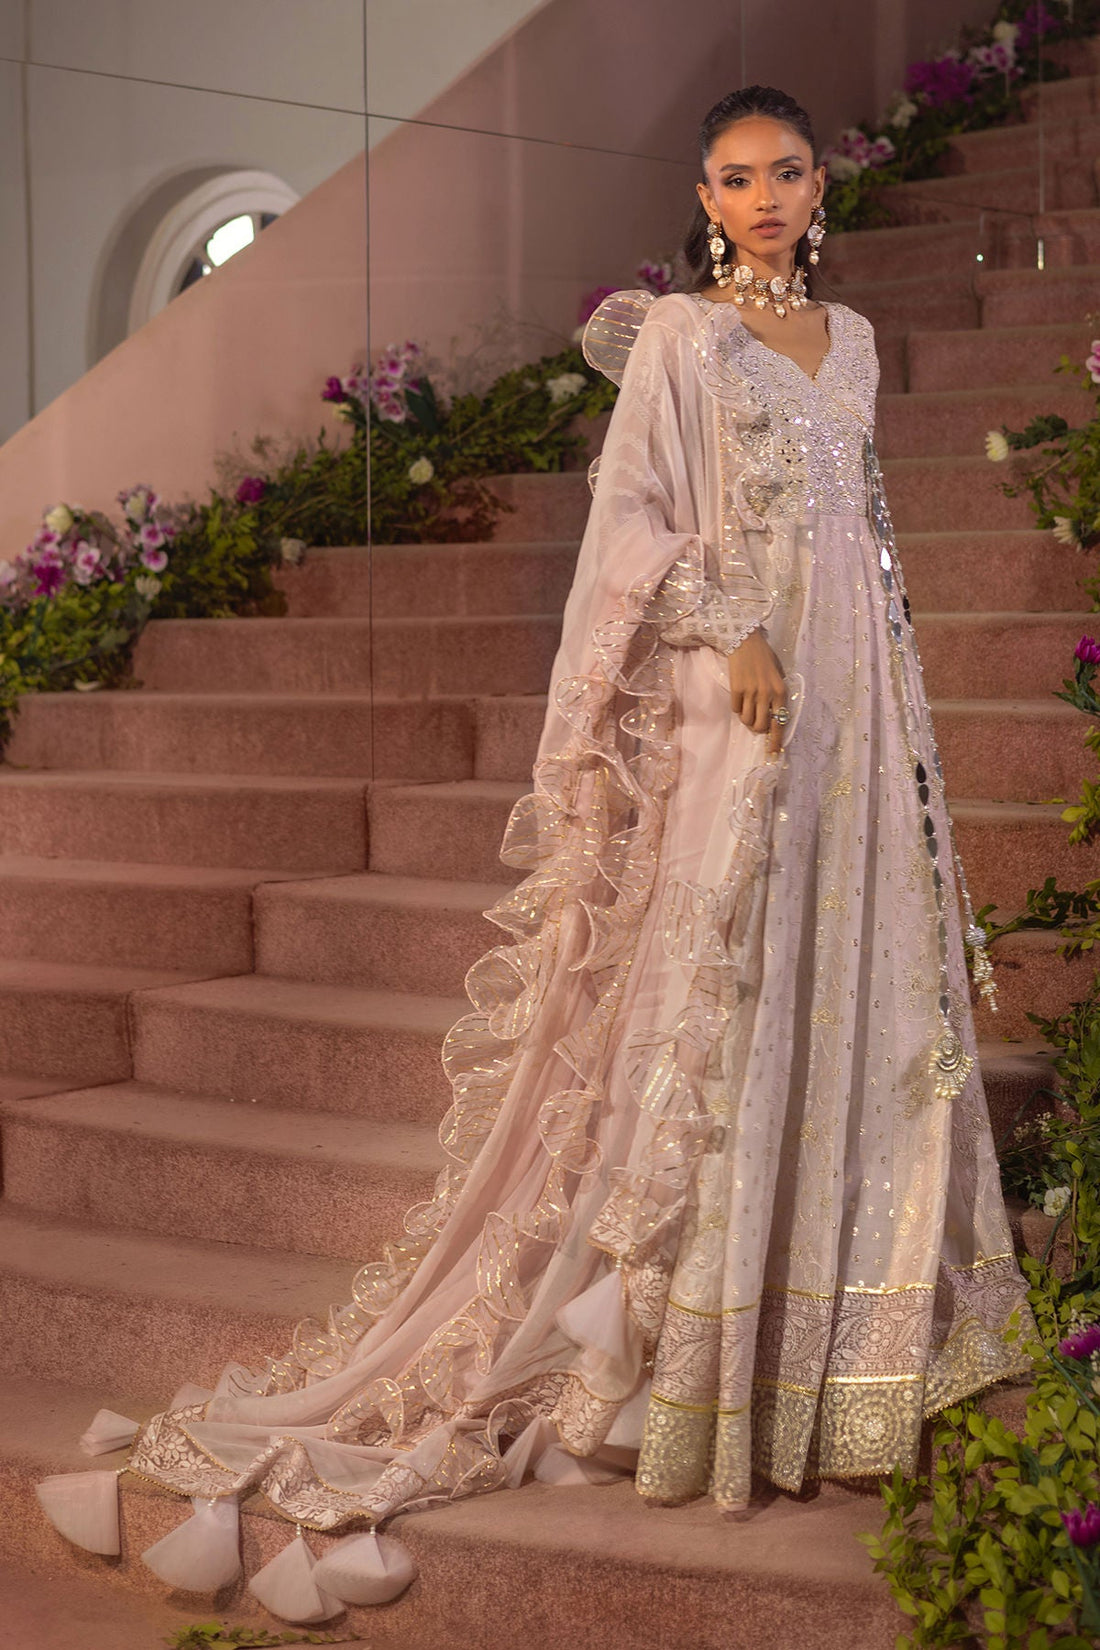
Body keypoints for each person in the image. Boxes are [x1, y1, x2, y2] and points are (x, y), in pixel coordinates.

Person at [38, 84, 1037, 1622]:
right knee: (726, 1001)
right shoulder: (682, 340)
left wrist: (895, 718)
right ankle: (688, 1350)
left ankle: (837, 1342)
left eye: (786, 171)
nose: (765, 197)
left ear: (820, 183)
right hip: (742, 708)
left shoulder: (853, 341)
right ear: (705, 198)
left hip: (855, 707)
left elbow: (871, 535)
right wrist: (731, 626)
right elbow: (630, 522)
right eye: (736, 178)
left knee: (843, 993)